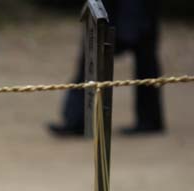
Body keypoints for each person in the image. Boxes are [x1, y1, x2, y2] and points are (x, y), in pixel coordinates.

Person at [48, 0, 165, 136]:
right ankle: (78, 119)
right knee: (93, 54)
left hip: (135, 11)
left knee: (145, 58)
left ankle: (149, 120)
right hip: (117, 9)